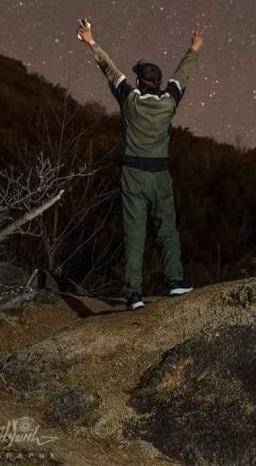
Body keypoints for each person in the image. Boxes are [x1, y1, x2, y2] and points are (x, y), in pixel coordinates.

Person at [77, 17, 204, 309]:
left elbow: (109, 69)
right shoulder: (169, 102)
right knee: (167, 228)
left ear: (139, 81)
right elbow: (182, 76)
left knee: (134, 234)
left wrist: (91, 41)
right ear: (159, 83)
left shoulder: (130, 99)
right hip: (159, 174)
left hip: (133, 174)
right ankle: (174, 281)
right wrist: (194, 48)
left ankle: (133, 294)